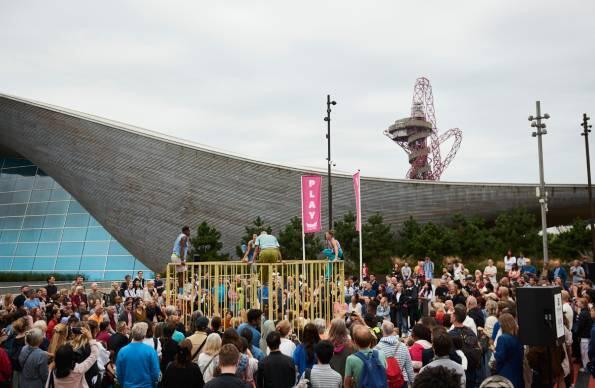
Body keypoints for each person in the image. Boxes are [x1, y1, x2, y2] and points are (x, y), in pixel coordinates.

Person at [116, 322, 160, 388]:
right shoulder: (150, 351)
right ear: (144, 334)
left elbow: (119, 373)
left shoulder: (122, 351)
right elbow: (155, 373)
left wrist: (124, 384)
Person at [374, 320, 415, 386]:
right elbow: (409, 368)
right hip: (400, 382)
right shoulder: (403, 346)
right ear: (393, 331)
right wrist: (413, 383)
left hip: (385, 383)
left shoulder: (376, 349)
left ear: (382, 331)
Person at [493, 313, 524, 388]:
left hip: (506, 374)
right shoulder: (519, 337)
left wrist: (494, 351)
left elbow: (500, 357)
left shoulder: (502, 338)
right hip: (518, 374)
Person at [574, 297, 593, 371]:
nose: (577, 303)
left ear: (582, 304)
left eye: (579, 302)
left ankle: (586, 367)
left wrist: (575, 333)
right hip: (587, 335)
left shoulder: (583, 314)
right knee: (585, 352)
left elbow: (580, 326)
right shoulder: (585, 312)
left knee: (584, 353)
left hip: (584, 336)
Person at [172, 226, 191, 292]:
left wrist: (188, 253)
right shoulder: (184, 237)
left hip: (174, 256)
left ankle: (180, 290)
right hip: (178, 257)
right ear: (185, 231)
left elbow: (183, 247)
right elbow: (182, 248)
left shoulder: (180, 236)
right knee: (183, 273)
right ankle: (181, 292)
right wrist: (182, 260)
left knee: (180, 274)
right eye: (189, 231)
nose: (189, 232)